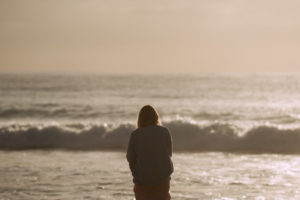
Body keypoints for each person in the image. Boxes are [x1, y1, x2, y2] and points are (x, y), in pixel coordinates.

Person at [126, 105, 174, 200]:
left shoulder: (135, 135)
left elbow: (130, 158)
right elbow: (169, 154)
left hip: (142, 180)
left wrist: (136, 172)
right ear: (156, 117)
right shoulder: (164, 132)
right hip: (162, 178)